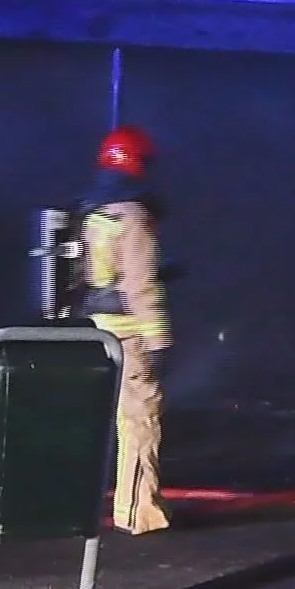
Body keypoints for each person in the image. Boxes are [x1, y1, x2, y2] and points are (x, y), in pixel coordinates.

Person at [79, 125, 173, 535]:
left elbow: (102, 275)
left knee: (124, 420)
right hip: (132, 331)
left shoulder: (96, 214)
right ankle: (139, 513)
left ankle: (131, 506)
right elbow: (140, 285)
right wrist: (158, 339)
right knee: (141, 420)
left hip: (103, 327)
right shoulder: (133, 218)